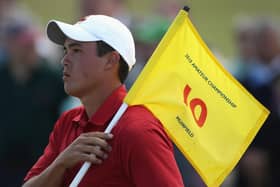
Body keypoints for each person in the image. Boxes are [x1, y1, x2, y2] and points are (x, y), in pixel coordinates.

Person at [22, 15, 184, 187]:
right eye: (66, 51)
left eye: (76, 50)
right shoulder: (68, 121)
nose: (65, 61)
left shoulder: (139, 130)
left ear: (111, 60)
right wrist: (61, 163)